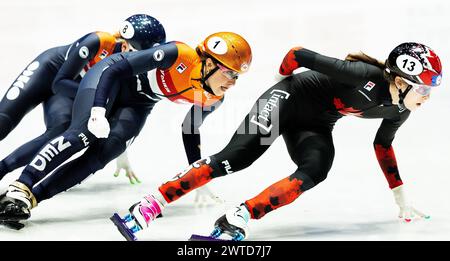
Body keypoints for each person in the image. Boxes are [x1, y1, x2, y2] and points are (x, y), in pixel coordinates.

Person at [111, 42, 442, 241]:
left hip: (314, 123)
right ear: (400, 80)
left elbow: (382, 146)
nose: (426, 98)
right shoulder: (362, 75)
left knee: (317, 167)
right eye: (424, 89)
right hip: (286, 100)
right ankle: (149, 205)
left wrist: (400, 198)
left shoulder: (400, 109)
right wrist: (280, 84)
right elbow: (297, 54)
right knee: (239, 156)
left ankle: (239, 217)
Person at [0, 32, 252, 223]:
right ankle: (20, 185)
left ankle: (29, 199)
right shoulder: (179, 55)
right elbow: (117, 68)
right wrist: (98, 109)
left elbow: (190, 129)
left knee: (104, 154)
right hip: (110, 77)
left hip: (139, 101)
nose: (232, 83)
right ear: (208, 63)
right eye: (229, 73)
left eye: (237, 77)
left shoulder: (212, 98)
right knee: (82, 134)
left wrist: (198, 175)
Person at [0, 14, 166, 185]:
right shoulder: (99, 42)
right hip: (50, 73)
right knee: (3, 122)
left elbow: (115, 112)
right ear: (125, 46)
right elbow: (59, 83)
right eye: (143, 55)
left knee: (61, 131)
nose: (145, 62)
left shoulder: (132, 69)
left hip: (70, 92)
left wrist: (121, 154)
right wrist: (96, 96)